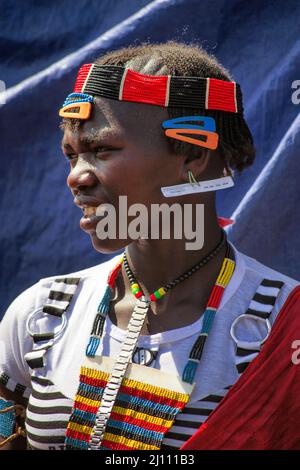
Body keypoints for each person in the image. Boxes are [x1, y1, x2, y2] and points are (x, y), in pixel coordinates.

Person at [0, 41, 299, 451]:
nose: (77, 177)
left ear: (192, 154)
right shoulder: (42, 314)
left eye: (102, 150)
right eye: (72, 156)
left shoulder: (283, 329)